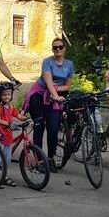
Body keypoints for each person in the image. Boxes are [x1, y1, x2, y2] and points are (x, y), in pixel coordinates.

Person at [24, 38, 73, 171]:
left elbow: (67, 86)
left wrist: (56, 92)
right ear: (52, 49)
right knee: (39, 126)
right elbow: (48, 82)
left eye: (60, 47)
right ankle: (39, 160)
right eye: (55, 47)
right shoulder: (47, 62)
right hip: (39, 95)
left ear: (64, 48)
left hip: (55, 96)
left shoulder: (69, 64)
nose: (58, 49)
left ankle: (50, 158)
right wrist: (55, 94)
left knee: (53, 129)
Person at [0, 82, 27, 188]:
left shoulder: (10, 107)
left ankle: (4, 177)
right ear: (0, 95)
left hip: (8, 136)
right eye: (4, 94)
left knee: (6, 158)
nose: (7, 96)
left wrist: (26, 118)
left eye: (9, 94)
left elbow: (18, 115)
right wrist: (9, 124)